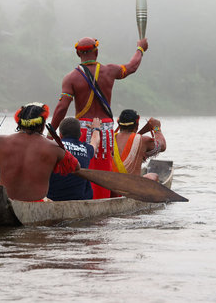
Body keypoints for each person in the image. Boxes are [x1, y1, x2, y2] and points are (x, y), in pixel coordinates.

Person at [50, 36, 148, 199]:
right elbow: (132, 67)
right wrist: (140, 49)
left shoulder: (71, 78)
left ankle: (83, 200)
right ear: (96, 52)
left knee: (82, 168)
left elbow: (61, 108)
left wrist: (51, 132)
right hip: (106, 129)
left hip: (81, 130)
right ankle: (103, 201)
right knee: (104, 168)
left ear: (77, 54)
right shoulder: (109, 71)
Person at [0, 102, 80, 201]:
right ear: (43, 125)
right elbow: (76, 166)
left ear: (19, 123)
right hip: (37, 204)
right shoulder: (54, 148)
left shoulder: (0, 142)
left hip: (5, 202)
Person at [47, 117, 101, 201]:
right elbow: (95, 141)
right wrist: (96, 129)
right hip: (80, 200)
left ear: (60, 134)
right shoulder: (86, 149)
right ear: (80, 134)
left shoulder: (52, 147)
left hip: (53, 199)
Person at [113, 109, 166, 182]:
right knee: (153, 176)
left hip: (111, 182)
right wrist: (157, 128)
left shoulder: (109, 138)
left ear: (118, 123)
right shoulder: (143, 140)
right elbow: (162, 146)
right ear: (137, 124)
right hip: (132, 185)